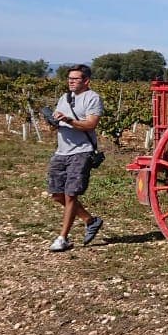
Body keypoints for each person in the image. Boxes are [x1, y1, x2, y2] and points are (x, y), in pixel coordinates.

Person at [47, 64, 105, 252]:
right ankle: (90, 220)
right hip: (61, 151)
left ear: (86, 81)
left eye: (75, 79)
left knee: (71, 194)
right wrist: (53, 122)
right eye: (69, 78)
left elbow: (91, 124)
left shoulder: (93, 98)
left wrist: (68, 120)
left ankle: (62, 238)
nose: (70, 82)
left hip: (82, 151)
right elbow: (56, 124)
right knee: (57, 195)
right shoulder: (64, 98)